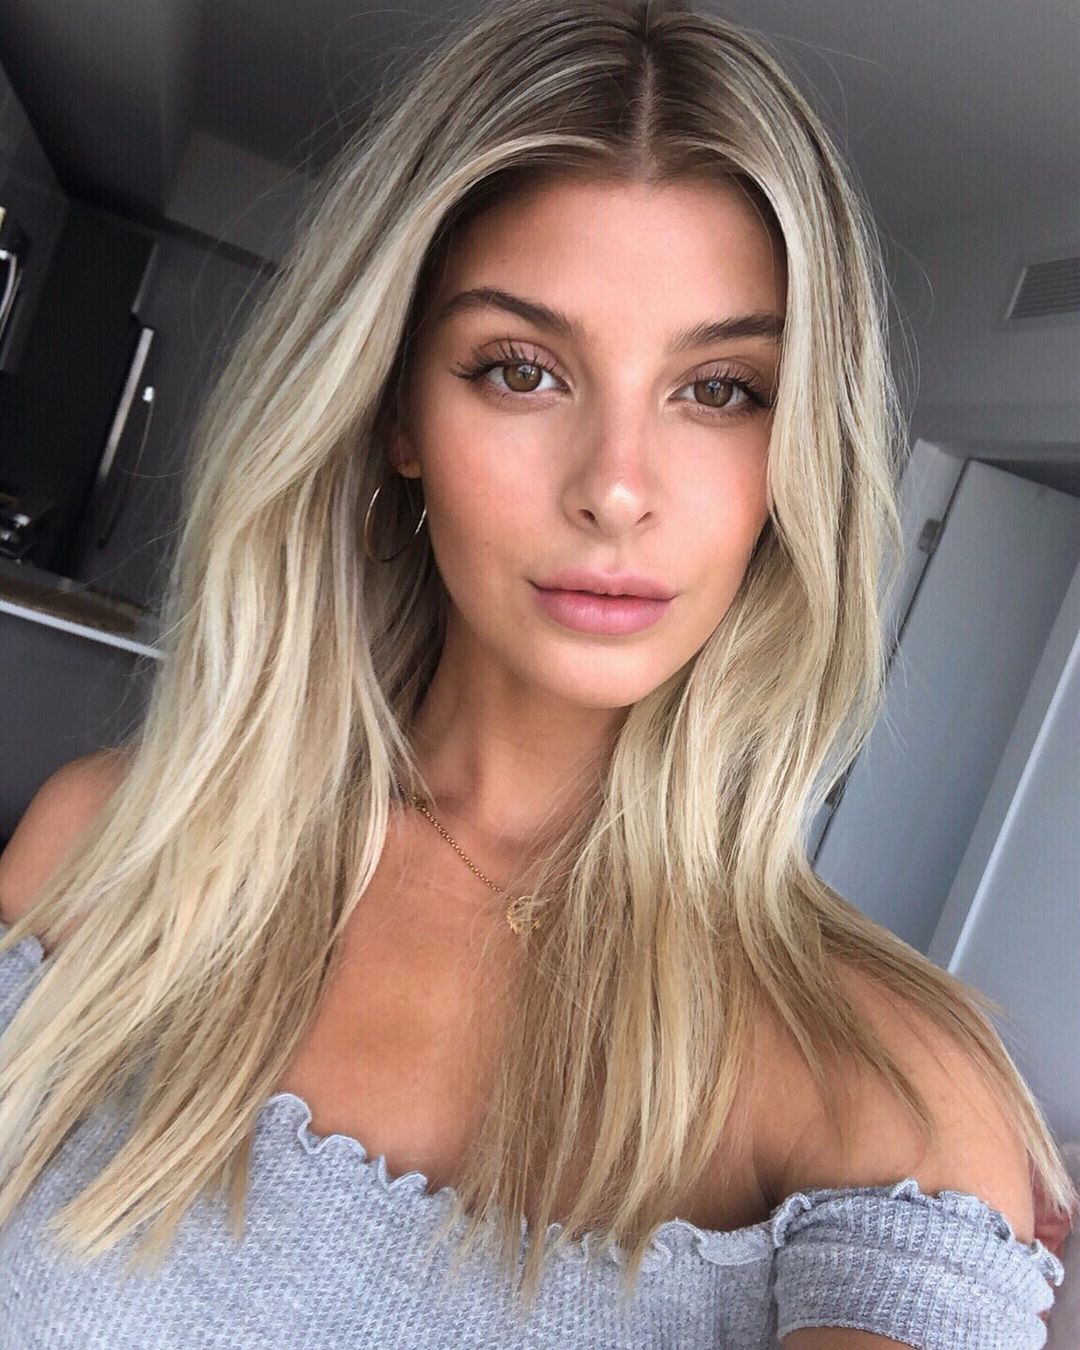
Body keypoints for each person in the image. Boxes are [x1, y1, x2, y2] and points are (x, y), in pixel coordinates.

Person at [0, 1, 1073, 1345]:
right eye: (521, 370)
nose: (616, 488)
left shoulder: (886, 1089)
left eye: (720, 388)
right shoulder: (107, 846)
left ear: (800, 452)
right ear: (397, 411)